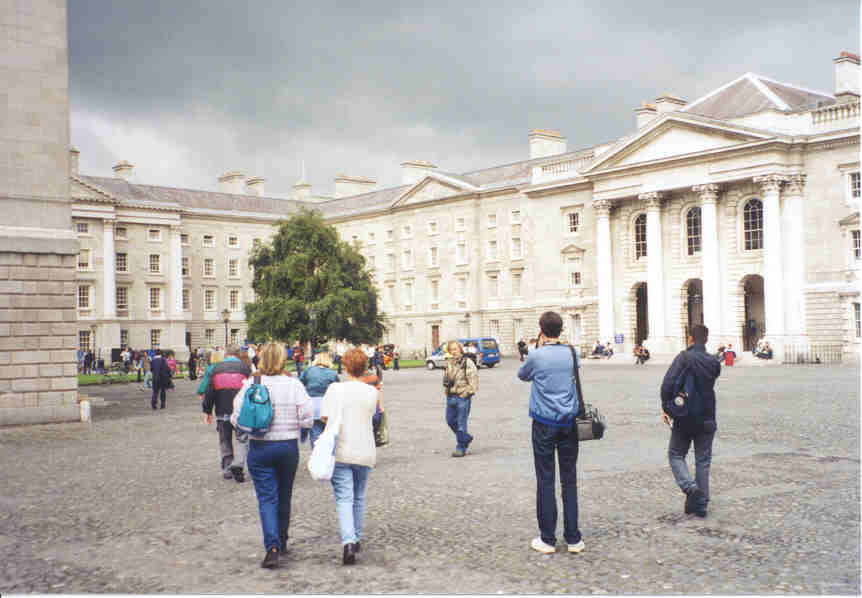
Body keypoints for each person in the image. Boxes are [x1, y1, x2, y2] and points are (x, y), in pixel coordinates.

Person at [231, 342, 313, 569]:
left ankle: (272, 547)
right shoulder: (293, 384)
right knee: (284, 495)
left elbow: (236, 416)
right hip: (287, 446)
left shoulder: (251, 383)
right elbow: (307, 415)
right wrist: (299, 428)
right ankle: (283, 539)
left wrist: (249, 428)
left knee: (267, 498)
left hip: (260, 446)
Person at [517, 311, 585, 555]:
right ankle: (574, 538)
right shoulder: (571, 352)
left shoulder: (536, 355)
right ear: (561, 329)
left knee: (546, 479)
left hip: (544, 422)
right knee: (569, 480)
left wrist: (539, 346)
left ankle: (547, 538)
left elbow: (522, 375)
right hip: (569, 422)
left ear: (541, 329)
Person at [320, 347, 382, 565]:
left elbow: (325, 418)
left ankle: (348, 541)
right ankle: (355, 538)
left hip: (342, 449)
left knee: (344, 498)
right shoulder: (372, 392)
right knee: (358, 496)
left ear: (345, 367)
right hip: (364, 448)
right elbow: (373, 417)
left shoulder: (335, 389)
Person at [660, 324, 721, 518]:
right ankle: (700, 504)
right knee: (703, 461)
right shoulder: (714, 362)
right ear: (706, 339)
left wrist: (666, 406)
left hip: (685, 415)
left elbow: (667, 384)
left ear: (690, 338)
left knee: (675, 454)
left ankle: (692, 490)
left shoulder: (684, 357)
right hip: (708, 416)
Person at [202, 344, 252, 482]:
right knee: (242, 439)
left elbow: (210, 391)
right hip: (241, 411)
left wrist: (207, 410)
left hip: (222, 410)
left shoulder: (216, 368)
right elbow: (251, 389)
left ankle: (227, 468)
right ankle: (239, 464)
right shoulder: (244, 368)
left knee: (225, 440)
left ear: (226, 354)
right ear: (238, 354)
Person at [442, 340, 479, 458]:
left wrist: (466, 393)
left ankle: (461, 448)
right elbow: (447, 377)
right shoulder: (449, 363)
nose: (453, 352)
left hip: (462, 397)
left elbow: (473, 380)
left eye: (455, 349)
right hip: (450, 396)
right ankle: (465, 438)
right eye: (451, 349)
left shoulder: (467, 362)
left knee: (461, 423)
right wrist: (446, 389)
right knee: (450, 420)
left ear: (460, 349)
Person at [299, 351, 340, 448]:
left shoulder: (309, 371)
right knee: (329, 433)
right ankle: (328, 454)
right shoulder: (332, 373)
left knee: (315, 432)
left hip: (312, 404)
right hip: (328, 405)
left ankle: (316, 454)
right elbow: (337, 388)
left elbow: (301, 384)